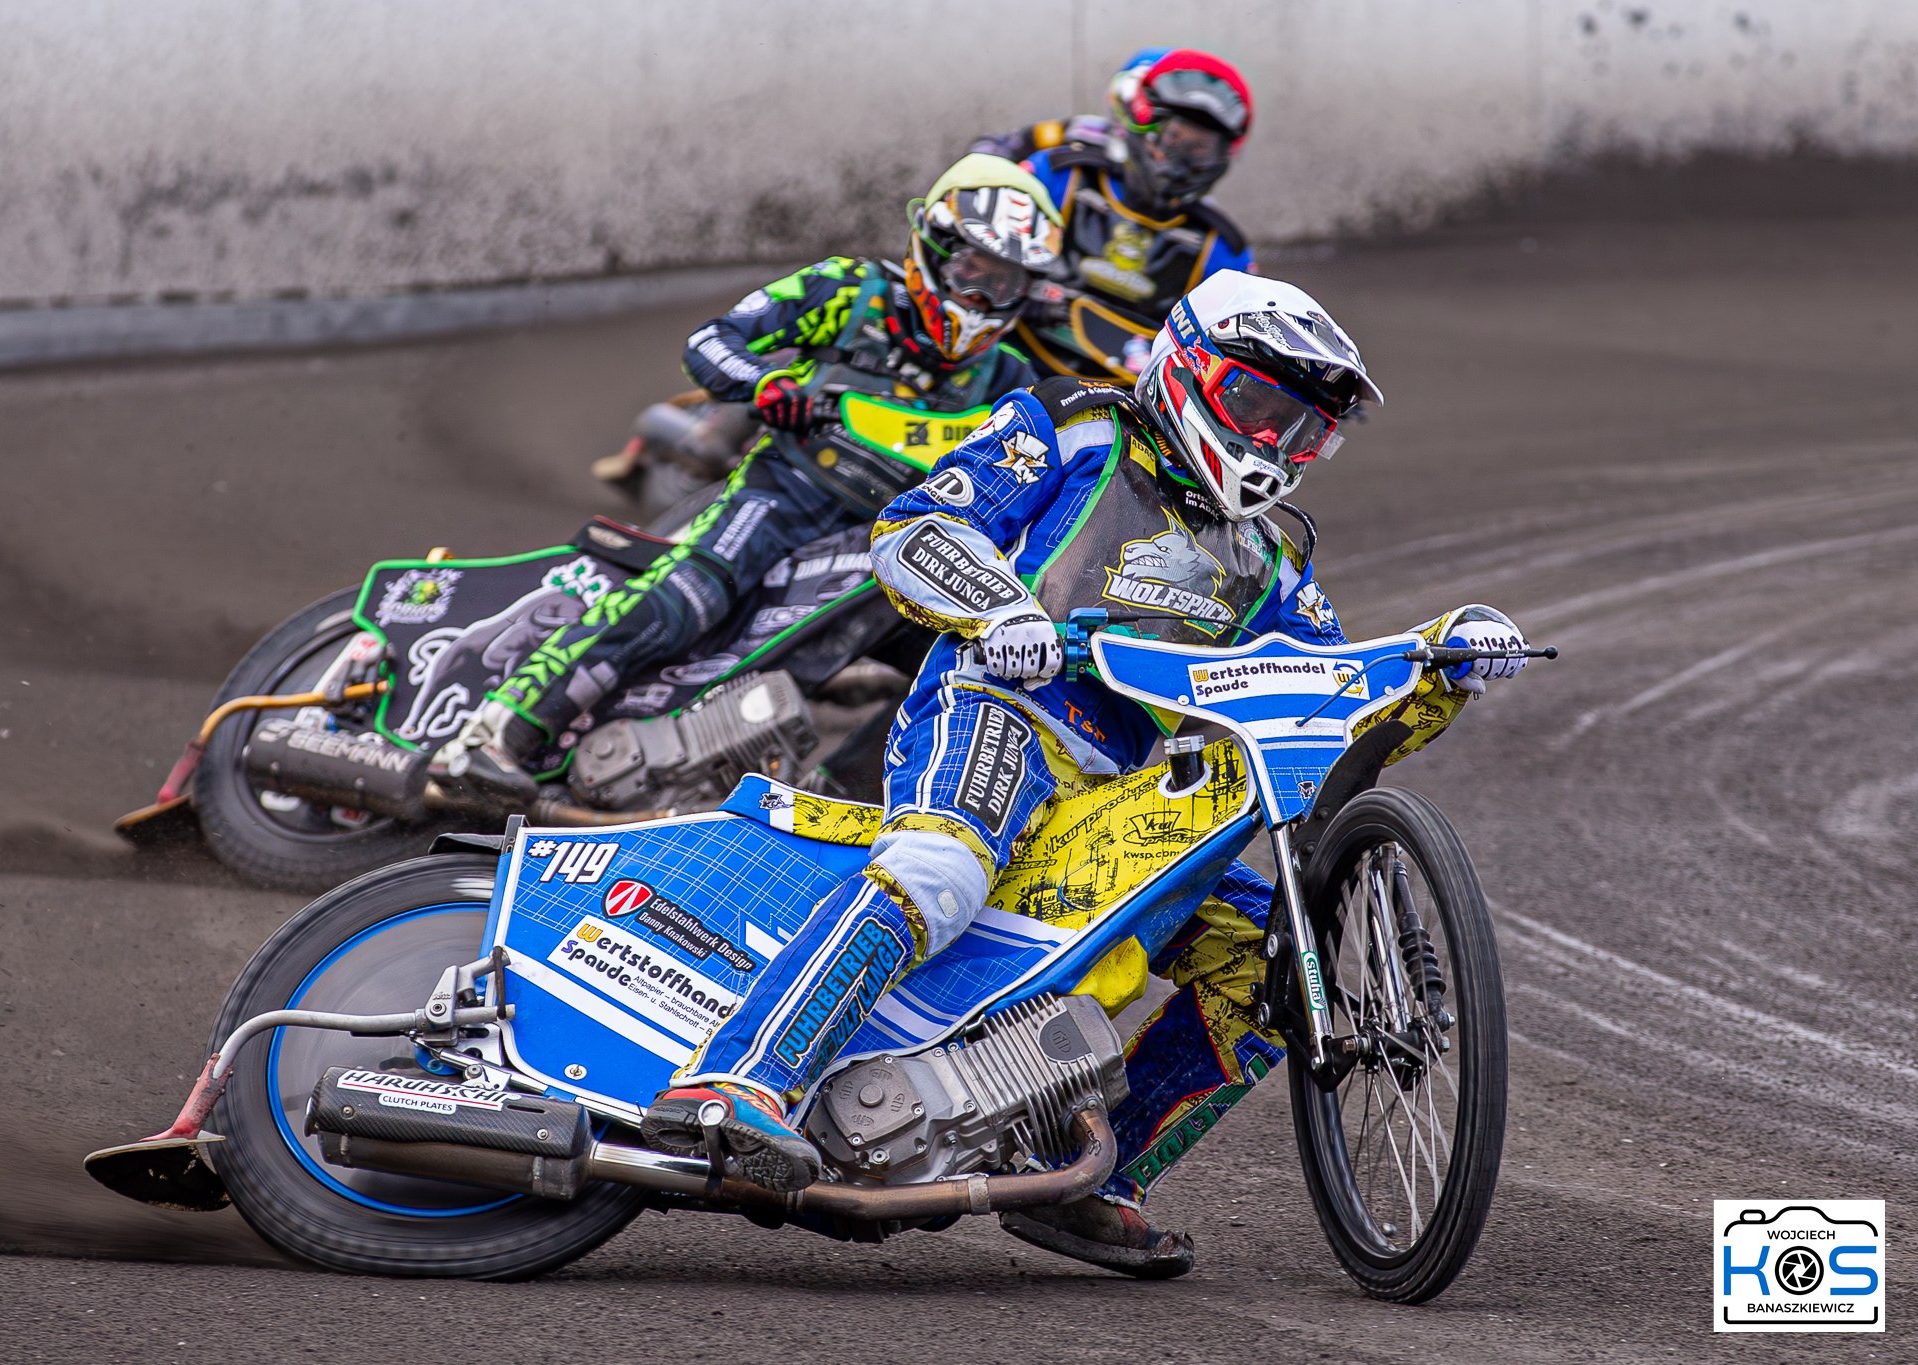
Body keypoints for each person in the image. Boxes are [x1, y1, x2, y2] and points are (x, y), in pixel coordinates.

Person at [638, 270, 1533, 1276]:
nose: (1274, 442)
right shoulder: (1073, 427)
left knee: (1277, 952)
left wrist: (1439, 662)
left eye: (1302, 429)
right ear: (1190, 368)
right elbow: (916, 528)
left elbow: (1323, 709)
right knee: (939, 870)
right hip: (996, 708)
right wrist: (998, 608)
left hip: (1113, 791)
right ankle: (738, 1079)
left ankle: (1092, 1179)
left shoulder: (1272, 561)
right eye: (1258, 406)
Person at [429, 156, 1063, 813]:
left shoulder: (1008, 380)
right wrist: (766, 384)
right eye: (972, 271)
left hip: (893, 546)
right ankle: (497, 733)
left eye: (1006, 282)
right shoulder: (850, 290)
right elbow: (712, 340)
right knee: (688, 597)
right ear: (933, 248)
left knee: (963, 670)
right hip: (787, 493)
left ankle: (846, 806)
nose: (982, 298)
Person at [970, 48, 1259, 382]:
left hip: (1130, 402)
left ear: (1222, 156)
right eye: (1175, 136)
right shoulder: (1062, 173)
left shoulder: (1222, 249)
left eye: (1199, 148)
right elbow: (976, 250)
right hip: (1010, 365)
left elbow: (1232, 363)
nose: (1179, 160)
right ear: (1144, 123)